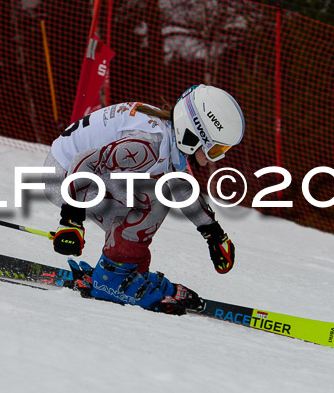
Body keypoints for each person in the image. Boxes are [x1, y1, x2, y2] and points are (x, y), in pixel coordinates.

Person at [42, 84, 245, 315]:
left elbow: (182, 185)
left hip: (80, 177)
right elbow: (82, 160)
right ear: (193, 133)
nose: (216, 157)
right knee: (156, 198)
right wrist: (71, 220)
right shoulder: (150, 144)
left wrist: (213, 233)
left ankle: (127, 272)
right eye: (216, 149)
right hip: (64, 177)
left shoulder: (164, 135)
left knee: (156, 193)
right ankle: (111, 280)